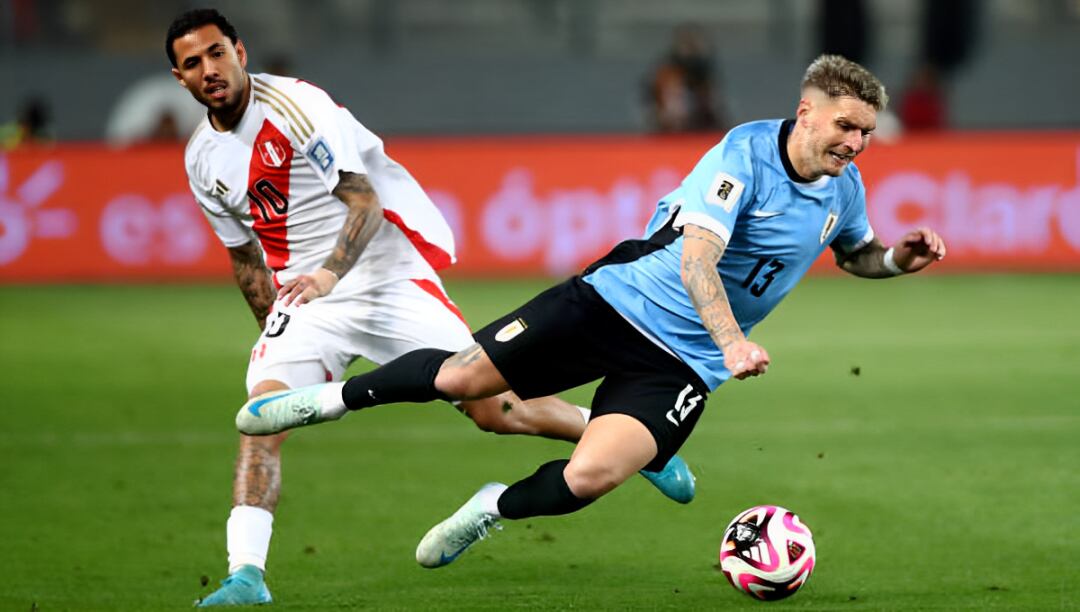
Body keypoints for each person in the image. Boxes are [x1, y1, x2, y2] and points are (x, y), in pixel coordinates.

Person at [238, 55, 946, 568]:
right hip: (613, 303)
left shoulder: (843, 186)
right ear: (807, 113)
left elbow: (856, 252)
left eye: (866, 134)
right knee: (461, 381)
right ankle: (330, 399)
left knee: (591, 477)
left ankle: (490, 507)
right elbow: (698, 258)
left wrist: (893, 261)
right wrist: (733, 342)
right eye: (846, 127)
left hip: (684, 365)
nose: (855, 144)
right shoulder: (743, 155)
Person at [166, 9, 695, 607]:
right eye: (192, 64)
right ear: (179, 79)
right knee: (261, 417)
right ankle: (246, 577)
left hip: (380, 273)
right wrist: (278, 334)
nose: (209, 69)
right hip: (304, 299)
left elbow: (362, 205)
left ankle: (627, 443)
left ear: (239, 50)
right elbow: (244, 259)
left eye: (216, 53)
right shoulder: (201, 160)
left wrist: (328, 274)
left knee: (493, 407)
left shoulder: (295, 107)